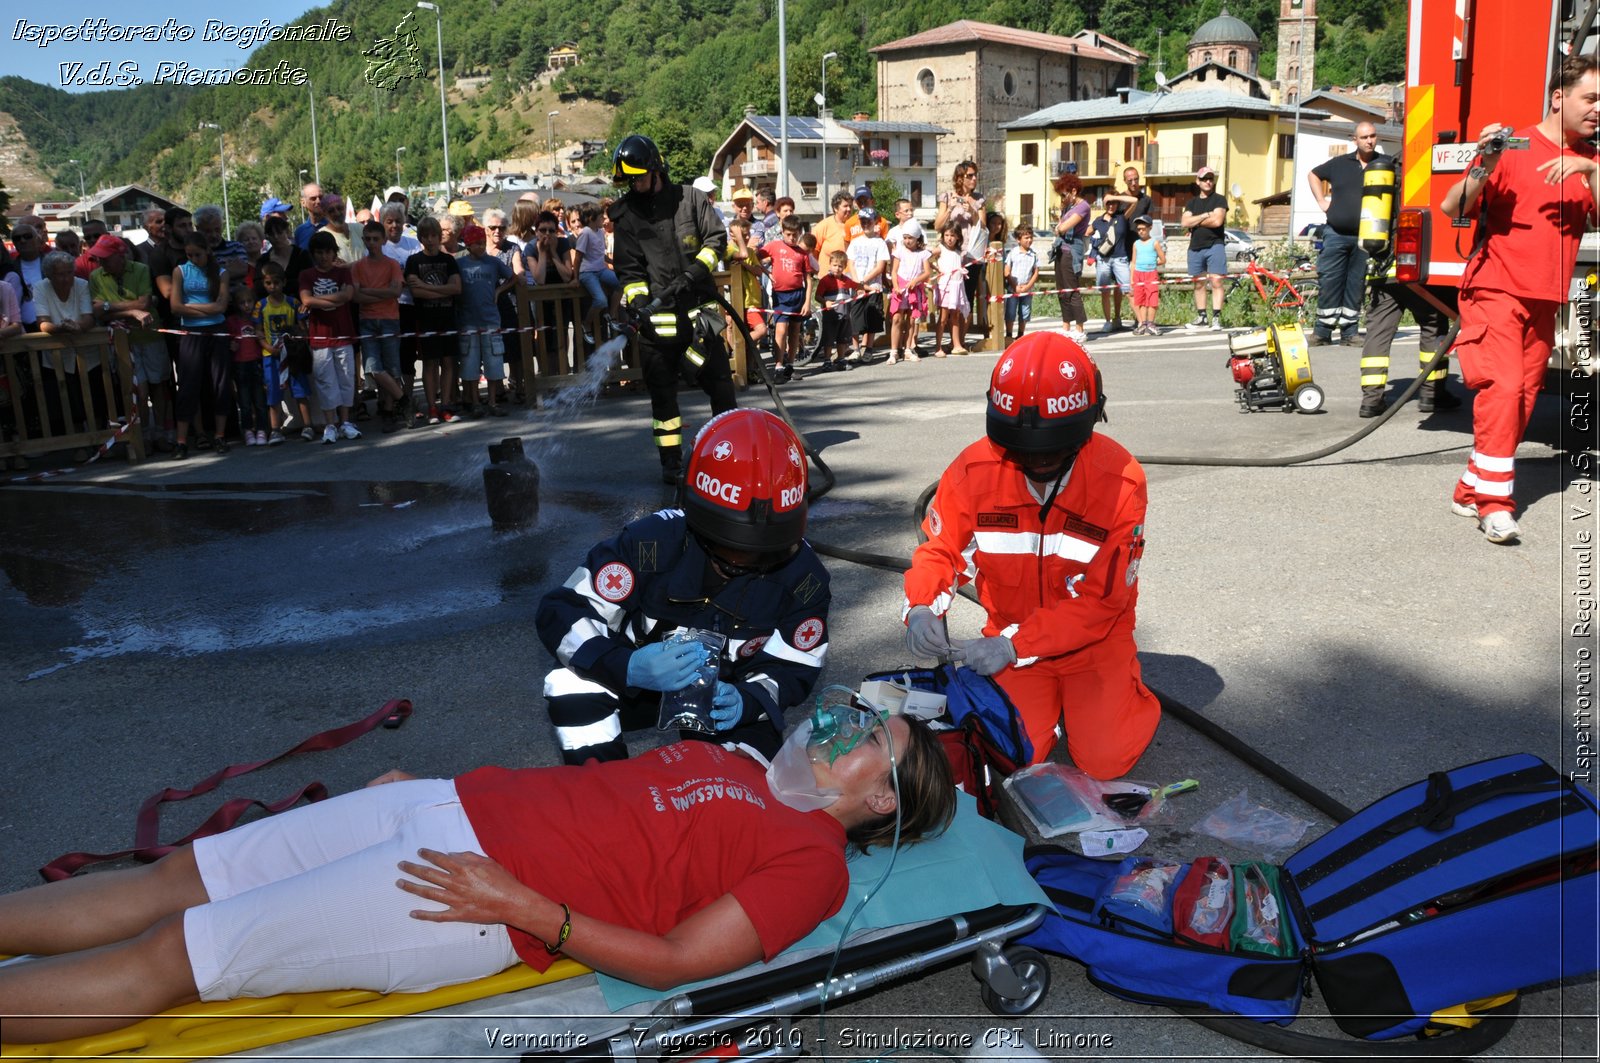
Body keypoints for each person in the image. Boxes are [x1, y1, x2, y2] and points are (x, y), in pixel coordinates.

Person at [0, 709, 955, 1044]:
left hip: (475, 895)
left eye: (872, 739)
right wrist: (436, 789)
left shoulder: (814, 865)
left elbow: (674, 960)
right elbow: (594, 795)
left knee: (176, 952)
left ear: (882, 802)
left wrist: (526, 908)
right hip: (445, 808)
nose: (845, 728)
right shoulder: (744, 767)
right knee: (177, 877)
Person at [903, 332, 1160, 775]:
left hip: (1092, 643)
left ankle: (1121, 694)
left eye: (1053, 451)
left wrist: (1012, 646)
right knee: (1010, 755)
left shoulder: (1121, 482)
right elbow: (941, 550)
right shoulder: (973, 471)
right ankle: (1051, 710)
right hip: (1009, 635)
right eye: (1023, 452)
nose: (1038, 463)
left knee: (1105, 761)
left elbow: (1104, 602)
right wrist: (921, 607)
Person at [536, 408, 832, 764]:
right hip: (644, 682)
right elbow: (563, 610)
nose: (740, 565)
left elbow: (797, 664)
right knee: (571, 685)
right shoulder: (651, 544)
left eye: (761, 554)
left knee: (737, 798)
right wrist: (625, 666)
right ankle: (601, 793)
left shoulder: (803, 577)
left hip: (729, 695)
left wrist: (748, 701)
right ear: (696, 518)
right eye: (726, 549)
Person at [1439, 53, 1600, 545]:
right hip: (1497, 288)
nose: (1598, 109)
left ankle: (1470, 486)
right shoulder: (1513, 144)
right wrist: (1485, 163)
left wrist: (1587, 172)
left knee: (1524, 399)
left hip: (1545, 298)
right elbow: (1453, 207)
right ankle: (1495, 503)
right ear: (1559, 97)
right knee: (1504, 390)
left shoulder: (1591, 160)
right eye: (1590, 98)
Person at [611, 135, 739, 483]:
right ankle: (671, 463)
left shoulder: (692, 200)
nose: (634, 186)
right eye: (630, 180)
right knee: (663, 398)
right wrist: (638, 301)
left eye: (638, 177)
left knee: (721, 387)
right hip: (658, 325)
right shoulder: (626, 215)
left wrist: (694, 273)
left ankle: (728, 453)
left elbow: (716, 241)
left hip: (703, 313)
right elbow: (629, 268)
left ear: (655, 169)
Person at [89, 234, 172, 450]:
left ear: (120, 255)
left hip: (150, 336)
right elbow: (97, 311)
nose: (101, 262)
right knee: (139, 391)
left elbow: (145, 303)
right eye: (99, 258)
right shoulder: (96, 276)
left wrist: (110, 306)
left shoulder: (140, 269)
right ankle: (143, 435)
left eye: (106, 257)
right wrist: (132, 310)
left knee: (158, 386)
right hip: (124, 343)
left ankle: (160, 433)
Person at [1307, 123, 1380, 345]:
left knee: (1356, 284)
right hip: (1336, 233)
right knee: (1330, 280)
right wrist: (1322, 201)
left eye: (1373, 136)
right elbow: (1313, 175)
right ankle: (1322, 332)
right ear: (1354, 140)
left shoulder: (1383, 165)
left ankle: (1350, 332)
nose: (1369, 140)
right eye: (1364, 137)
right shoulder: (1339, 164)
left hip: (1365, 237)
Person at [169, 233, 232, 459]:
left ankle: (220, 434)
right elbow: (175, 306)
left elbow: (221, 307)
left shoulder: (221, 273)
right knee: (188, 384)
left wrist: (194, 307)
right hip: (192, 332)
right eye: (189, 255)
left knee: (220, 383)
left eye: (197, 254)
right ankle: (182, 439)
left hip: (217, 330)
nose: (193, 258)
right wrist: (208, 308)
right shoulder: (180, 271)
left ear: (207, 251)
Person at [300, 230, 360, 445]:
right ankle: (330, 424)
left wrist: (320, 300)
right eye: (319, 252)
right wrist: (335, 300)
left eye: (327, 252)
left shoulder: (343, 272)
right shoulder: (306, 275)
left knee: (346, 378)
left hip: (343, 333)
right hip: (320, 337)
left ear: (334, 252)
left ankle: (345, 422)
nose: (324, 257)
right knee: (326, 381)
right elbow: (306, 300)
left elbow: (349, 296)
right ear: (313, 254)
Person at [351, 220, 411, 431]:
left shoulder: (392, 264)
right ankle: (404, 400)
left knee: (392, 367)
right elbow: (356, 296)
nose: (371, 243)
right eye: (368, 239)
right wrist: (379, 292)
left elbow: (395, 292)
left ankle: (388, 410)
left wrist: (369, 292)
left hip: (389, 319)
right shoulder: (358, 267)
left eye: (376, 239)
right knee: (374, 369)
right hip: (367, 320)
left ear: (384, 240)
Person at [405, 215, 462, 426]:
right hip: (425, 319)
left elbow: (456, 288)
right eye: (425, 236)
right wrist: (440, 291)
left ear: (440, 237)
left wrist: (426, 287)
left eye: (433, 236)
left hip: (447, 318)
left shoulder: (448, 260)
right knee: (430, 364)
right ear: (420, 238)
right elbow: (416, 293)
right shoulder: (414, 261)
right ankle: (432, 407)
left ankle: (446, 404)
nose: (430, 240)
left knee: (448, 362)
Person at [455, 222, 516, 417]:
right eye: (477, 243)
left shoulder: (493, 262)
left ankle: (493, 401)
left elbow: (513, 277)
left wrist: (499, 290)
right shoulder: (460, 264)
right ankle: (474, 402)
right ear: (468, 245)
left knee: (493, 362)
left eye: (483, 242)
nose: (481, 247)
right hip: (468, 320)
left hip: (490, 319)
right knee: (470, 363)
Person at [758, 216, 814, 384]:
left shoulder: (802, 253)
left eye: (795, 235)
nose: (792, 238)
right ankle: (778, 365)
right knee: (781, 330)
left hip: (798, 295)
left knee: (795, 332)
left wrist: (807, 302)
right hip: (780, 295)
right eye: (789, 234)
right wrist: (766, 272)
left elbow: (809, 279)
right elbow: (756, 256)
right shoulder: (774, 246)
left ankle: (790, 364)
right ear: (782, 232)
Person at [1181, 167, 1229, 332]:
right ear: (1198, 181)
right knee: (1199, 283)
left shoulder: (1219, 200)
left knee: (1216, 281)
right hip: (1195, 247)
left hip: (1215, 244)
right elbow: (1185, 223)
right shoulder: (1192, 202)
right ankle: (1201, 316)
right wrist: (1204, 216)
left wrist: (1195, 220)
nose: (1208, 181)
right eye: (1204, 179)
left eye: (1210, 178)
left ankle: (1216, 317)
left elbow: (1217, 221)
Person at [255, 261, 297, 445]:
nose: (273, 287)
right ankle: (275, 429)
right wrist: (267, 346)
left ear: (284, 282)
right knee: (273, 392)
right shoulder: (260, 305)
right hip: (269, 355)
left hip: (291, 354)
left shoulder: (292, 302)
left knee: (298, 388)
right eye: (268, 283)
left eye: (276, 283)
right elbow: (258, 330)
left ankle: (307, 424)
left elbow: (300, 326)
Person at [225, 285, 269, 446]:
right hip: (240, 364)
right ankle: (248, 430)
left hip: (256, 362)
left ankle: (262, 429)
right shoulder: (231, 321)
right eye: (242, 302)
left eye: (249, 301)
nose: (246, 305)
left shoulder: (257, 319)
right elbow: (227, 340)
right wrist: (231, 345)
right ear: (236, 304)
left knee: (259, 399)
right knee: (244, 401)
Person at [845, 207, 890, 357]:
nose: (865, 224)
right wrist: (857, 281)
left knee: (872, 317)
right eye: (862, 221)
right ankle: (856, 348)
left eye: (868, 221)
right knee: (855, 317)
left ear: (875, 222)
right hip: (857, 286)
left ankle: (868, 348)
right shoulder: (855, 242)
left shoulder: (880, 243)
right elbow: (850, 263)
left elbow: (880, 266)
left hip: (873, 286)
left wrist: (865, 281)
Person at [1052, 174, 1091, 345]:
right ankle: (1066, 326)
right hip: (1060, 249)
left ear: (1073, 191)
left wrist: (1059, 227)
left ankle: (1080, 328)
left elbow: (1063, 227)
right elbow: (1058, 228)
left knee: (1072, 289)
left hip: (1072, 251)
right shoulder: (1068, 207)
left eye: (1063, 194)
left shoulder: (1083, 207)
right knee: (1062, 290)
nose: (1062, 198)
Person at [888, 223, 933, 364]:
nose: (907, 241)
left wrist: (916, 280)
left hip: (914, 288)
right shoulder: (900, 252)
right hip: (901, 288)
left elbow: (927, 272)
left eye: (910, 238)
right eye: (905, 238)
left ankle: (908, 348)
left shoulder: (923, 254)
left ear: (917, 238)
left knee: (912, 320)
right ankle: (894, 351)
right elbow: (894, 271)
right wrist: (895, 286)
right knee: (897, 318)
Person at [814, 250, 861, 372]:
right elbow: (817, 296)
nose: (837, 268)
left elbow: (857, 286)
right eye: (835, 265)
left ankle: (840, 359)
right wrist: (825, 302)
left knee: (842, 339)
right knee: (829, 339)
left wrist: (865, 289)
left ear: (845, 267)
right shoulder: (825, 280)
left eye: (840, 266)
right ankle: (827, 360)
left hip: (845, 316)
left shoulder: (846, 280)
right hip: (831, 316)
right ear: (830, 264)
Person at [933, 222, 971, 357]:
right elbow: (927, 256)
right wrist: (935, 269)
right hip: (945, 286)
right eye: (947, 235)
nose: (949, 238)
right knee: (943, 318)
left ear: (958, 237)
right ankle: (938, 347)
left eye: (952, 235)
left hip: (957, 286)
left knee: (955, 316)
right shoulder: (940, 249)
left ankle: (957, 344)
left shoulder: (958, 252)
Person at [1089, 203, 1128, 332]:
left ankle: (1139, 321)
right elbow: (1085, 232)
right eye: (1108, 203)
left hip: (1120, 257)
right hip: (1103, 259)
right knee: (1105, 292)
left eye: (1113, 203)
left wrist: (1114, 198)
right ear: (1105, 205)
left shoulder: (1121, 217)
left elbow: (1134, 201)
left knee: (1127, 290)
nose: (1111, 206)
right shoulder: (1098, 221)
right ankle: (1107, 321)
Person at [1129, 216, 1166, 336]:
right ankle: (1143, 323)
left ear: (1150, 228)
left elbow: (1163, 259)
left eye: (1143, 229)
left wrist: (1152, 263)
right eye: (1138, 229)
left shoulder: (1154, 243)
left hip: (1151, 274)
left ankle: (1151, 323)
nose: (1140, 231)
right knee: (1141, 300)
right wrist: (1132, 279)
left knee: (1152, 300)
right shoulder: (1136, 244)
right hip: (1138, 275)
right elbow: (1133, 262)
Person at [1003, 225, 1039, 343]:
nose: (1029, 240)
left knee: (1024, 312)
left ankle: (1020, 334)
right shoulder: (1013, 253)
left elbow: (1035, 273)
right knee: (1010, 312)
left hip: (1027, 290)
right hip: (1014, 289)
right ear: (1018, 239)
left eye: (1030, 237)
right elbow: (1007, 271)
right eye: (1026, 238)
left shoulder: (1033, 255)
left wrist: (1028, 286)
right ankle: (1009, 334)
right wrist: (1014, 286)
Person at [293, 182, 325, 250]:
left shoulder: (332, 226)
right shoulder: (300, 232)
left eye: (321, 197)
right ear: (303, 202)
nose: (318, 201)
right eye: (313, 198)